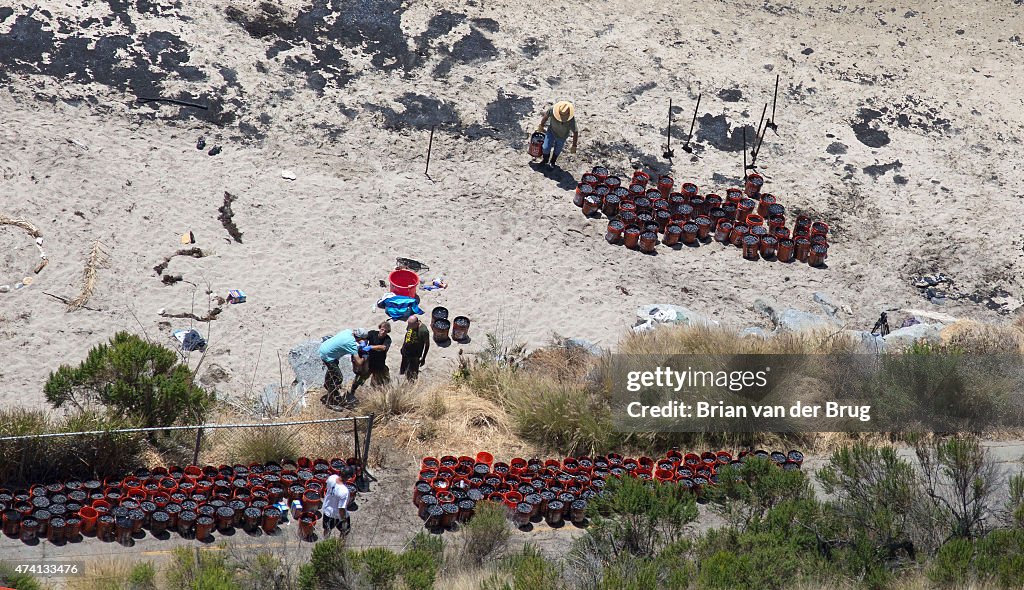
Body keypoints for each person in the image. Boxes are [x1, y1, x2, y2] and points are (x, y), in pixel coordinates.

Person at [319, 328, 369, 406]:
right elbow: (359, 362)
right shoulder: (351, 344)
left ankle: (327, 384)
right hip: (328, 357)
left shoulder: (347, 331)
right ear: (360, 338)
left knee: (333, 369)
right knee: (338, 378)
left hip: (324, 349)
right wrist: (365, 356)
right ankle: (330, 402)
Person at [349, 321, 392, 399]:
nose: (383, 332)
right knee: (360, 378)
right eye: (382, 329)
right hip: (368, 362)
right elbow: (363, 338)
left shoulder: (387, 339)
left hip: (379, 364)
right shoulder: (372, 333)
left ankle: (381, 397)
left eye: (385, 331)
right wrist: (364, 343)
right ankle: (352, 392)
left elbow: (384, 347)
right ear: (379, 328)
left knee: (383, 382)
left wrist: (371, 347)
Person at [534, 100, 579, 167]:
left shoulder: (571, 119)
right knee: (545, 148)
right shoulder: (552, 109)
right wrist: (541, 126)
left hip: (562, 136)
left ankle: (553, 161)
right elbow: (546, 117)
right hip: (551, 131)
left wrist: (574, 145)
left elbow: (575, 132)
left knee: (557, 150)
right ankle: (545, 159)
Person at [400, 315, 430, 381]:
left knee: (412, 372)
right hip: (405, 351)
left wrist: (423, 358)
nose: (409, 327)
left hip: (415, 354)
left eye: (411, 325)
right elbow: (407, 335)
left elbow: (427, 345)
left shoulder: (423, 331)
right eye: (409, 325)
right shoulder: (411, 324)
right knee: (404, 367)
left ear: (417, 323)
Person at [321, 473, 351, 538]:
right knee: (345, 531)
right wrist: (343, 520)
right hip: (338, 515)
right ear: (348, 477)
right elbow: (341, 509)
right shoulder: (344, 491)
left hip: (327, 511)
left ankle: (324, 544)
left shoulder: (332, 477)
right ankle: (340, 546)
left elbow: (327, 487)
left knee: (327, 529)